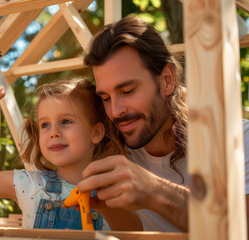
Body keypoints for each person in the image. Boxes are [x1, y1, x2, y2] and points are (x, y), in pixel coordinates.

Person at [0, 78, 142, 230]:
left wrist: (102, 199)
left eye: (66, 121)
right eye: (45, 124)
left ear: (96, 133)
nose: (53, 133)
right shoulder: (27, 184)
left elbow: (135, 232)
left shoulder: (114, 189)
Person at [75, 15, 191, 232]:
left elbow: (241, 226)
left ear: (167, 80)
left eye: (127, 91)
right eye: (106, 98)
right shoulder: (109, 151)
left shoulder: (237, 139)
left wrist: (155, 191)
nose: (116, 111)